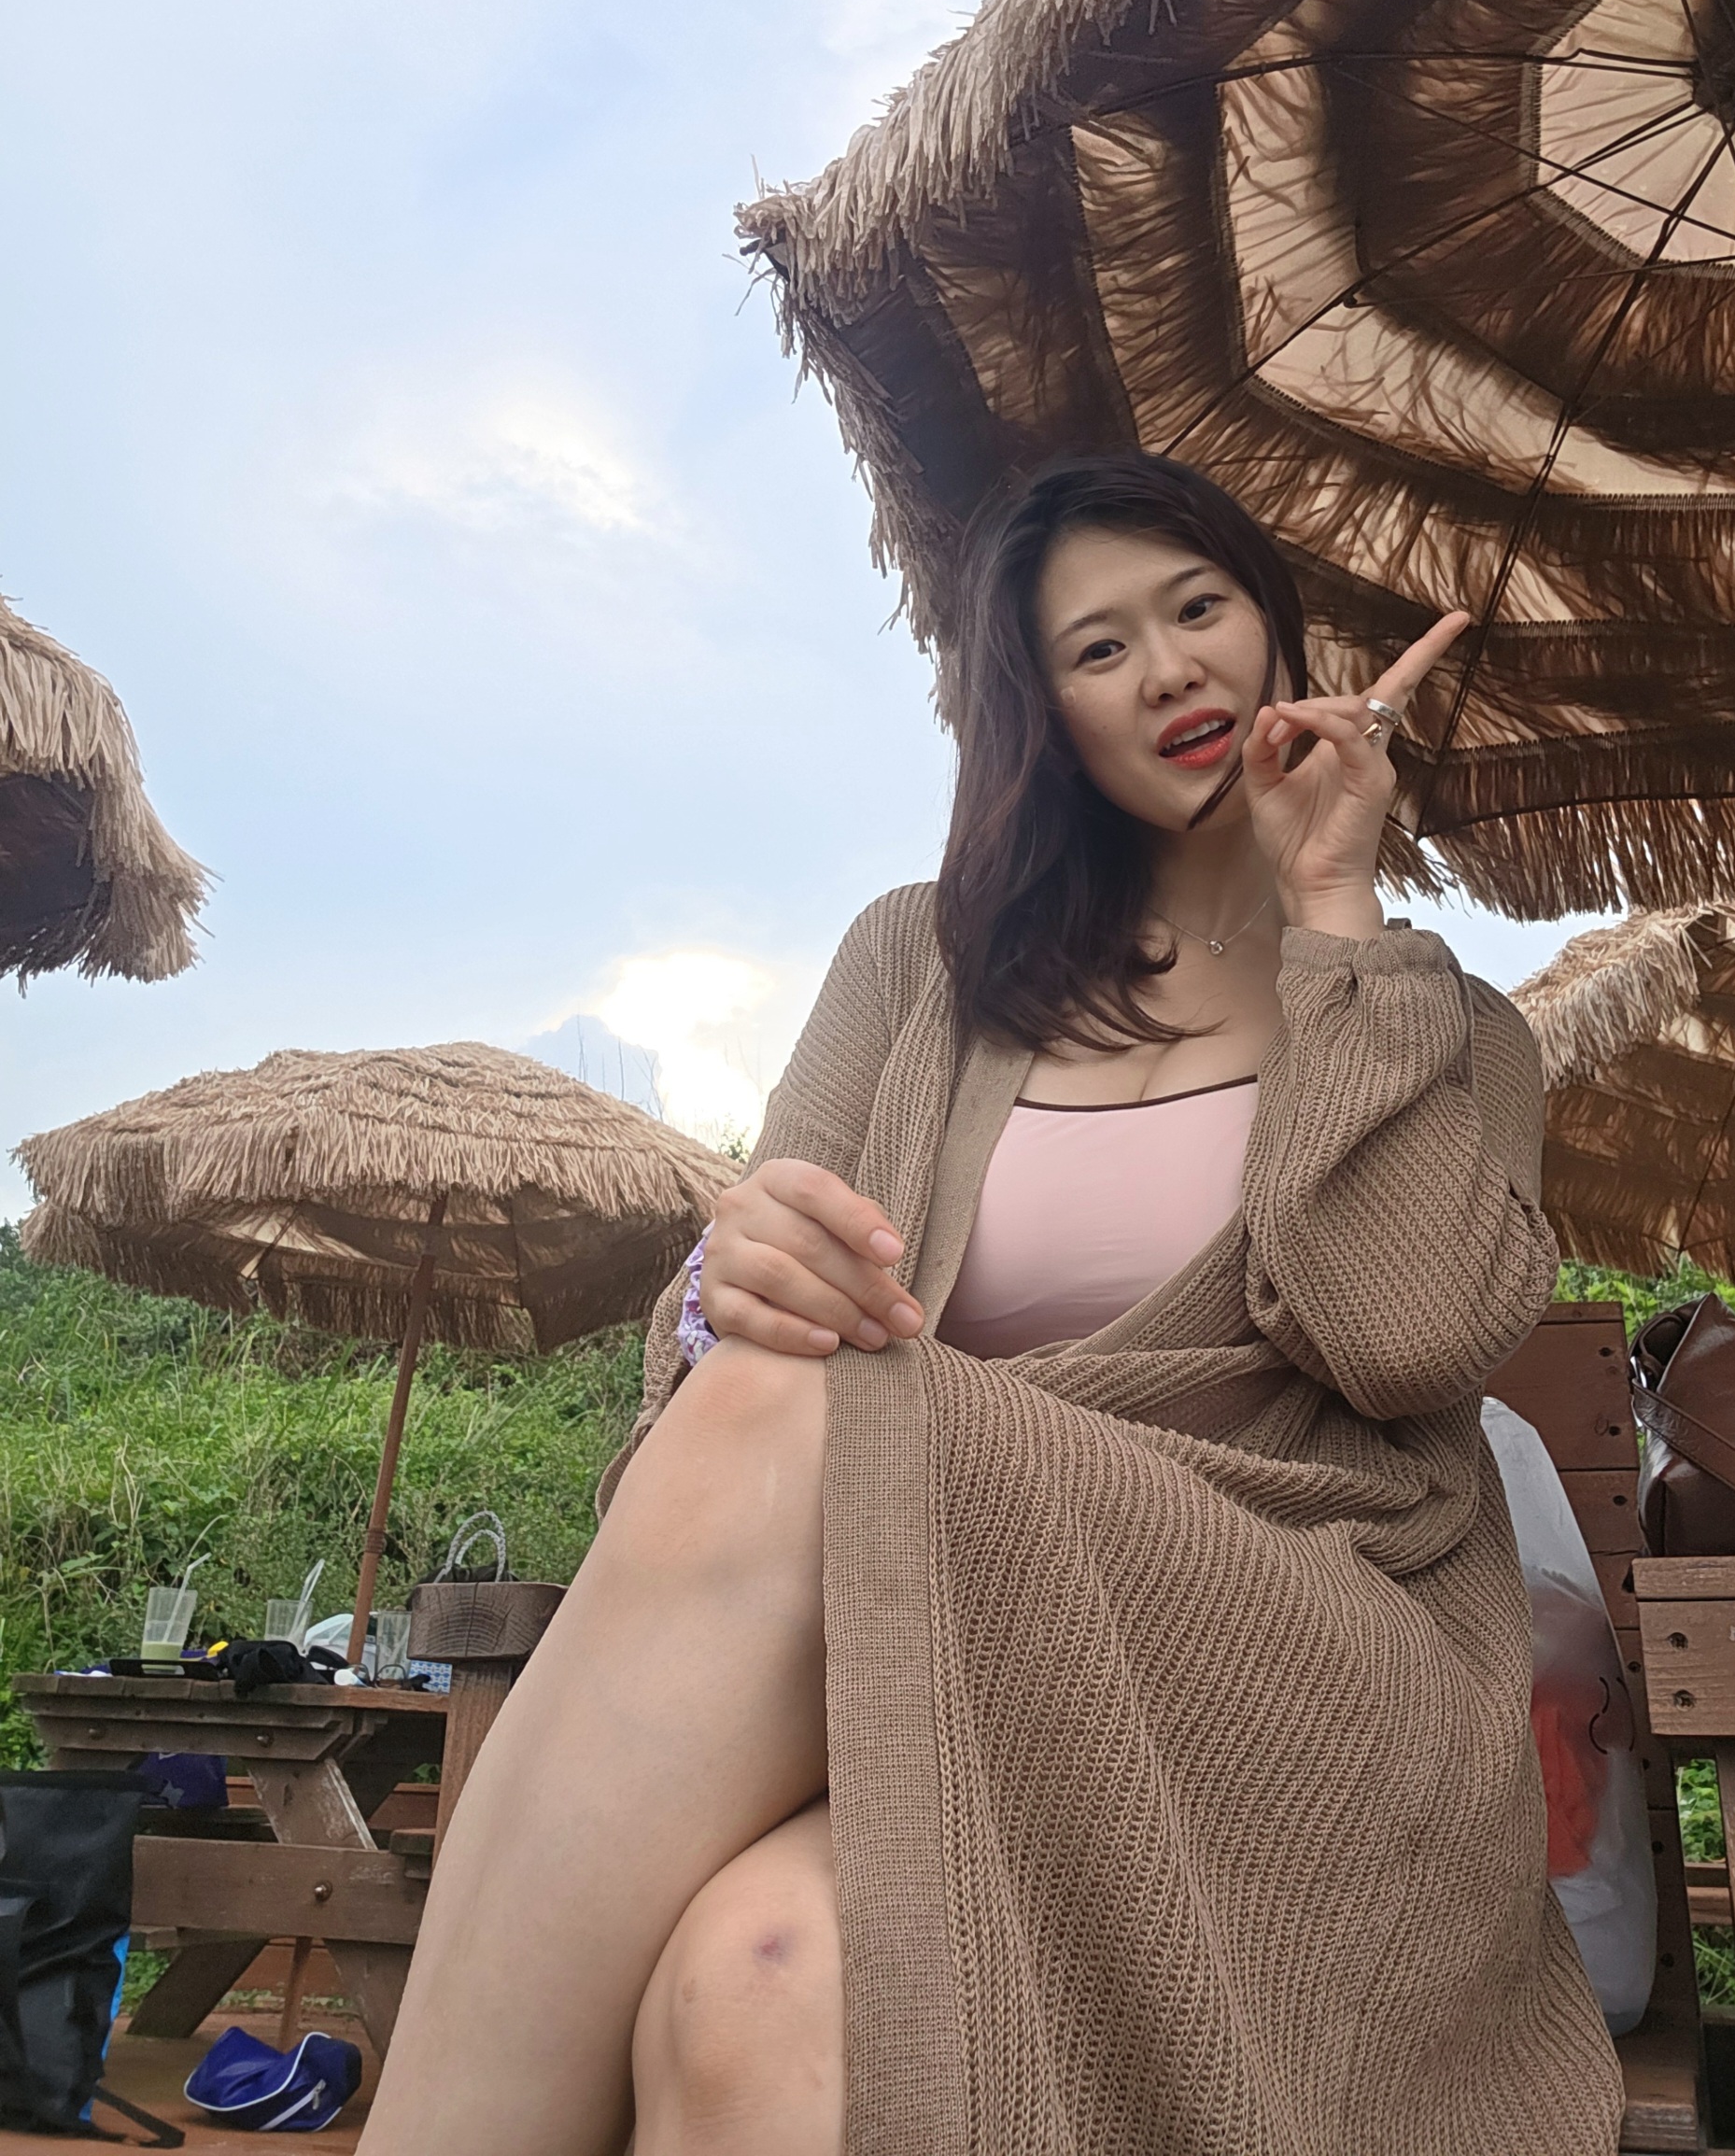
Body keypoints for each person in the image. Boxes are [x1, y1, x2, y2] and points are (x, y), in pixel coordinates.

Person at [360, 452, 1622, 2156]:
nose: (1166, 669)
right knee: (759, 1981)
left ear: (1273, 631)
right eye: (1099, 649)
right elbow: (710, 1387)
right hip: (961, 1639)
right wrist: (733, 1282)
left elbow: (1406, 1342)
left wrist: (1336, 910)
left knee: (799, 1408)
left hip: (1298, 1670)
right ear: (1046, 715)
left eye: (1198, 609)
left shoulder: (1449, 1027)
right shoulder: (917, 965)